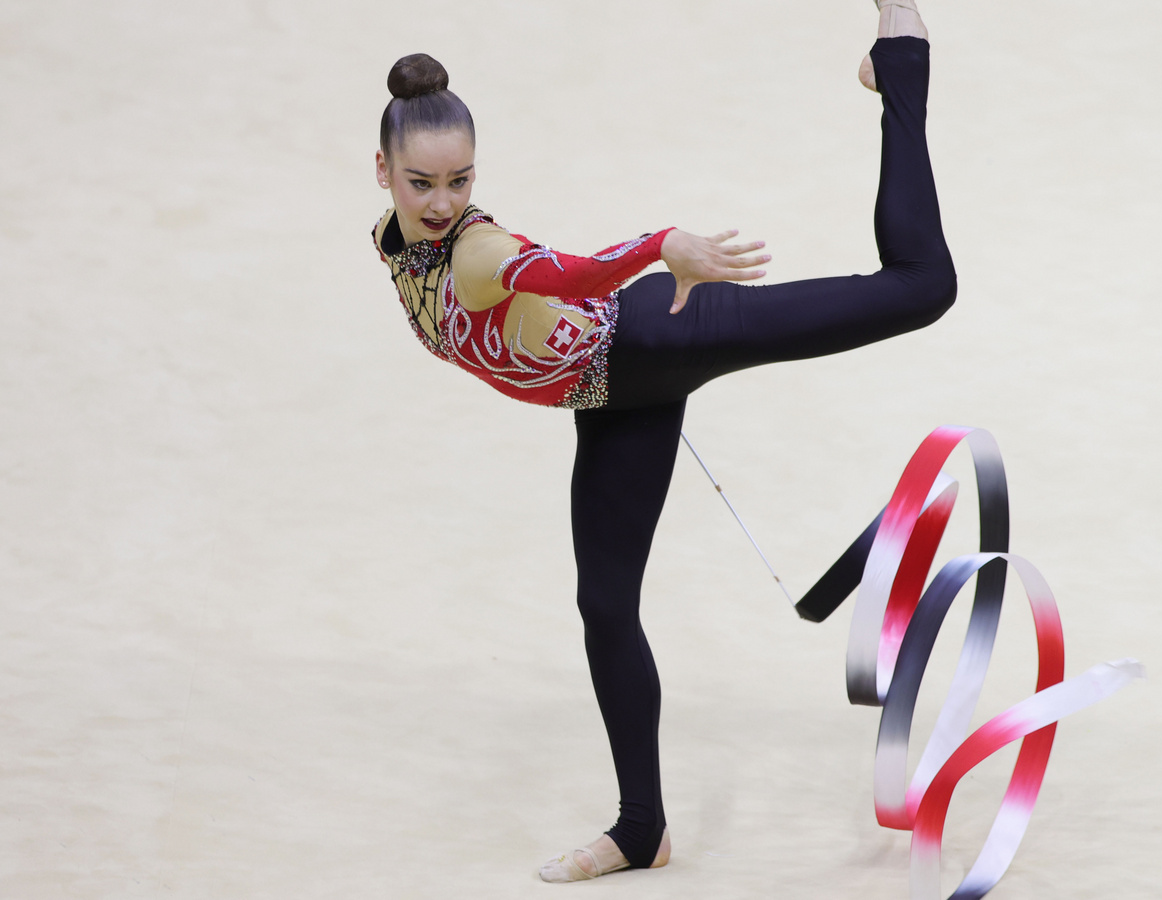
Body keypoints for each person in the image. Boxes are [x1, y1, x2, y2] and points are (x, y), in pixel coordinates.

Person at [370, 0, 949, 883]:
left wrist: (658, 245)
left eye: (461, 181)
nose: (445, 203)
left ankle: (901, 53)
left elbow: (567, 273)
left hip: (662, 333)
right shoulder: (392, 240)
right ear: (383, 171)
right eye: (423, 184)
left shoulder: (476, 251)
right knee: (604, 606)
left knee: (919, 286)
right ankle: (642, 830)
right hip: (614, 398)